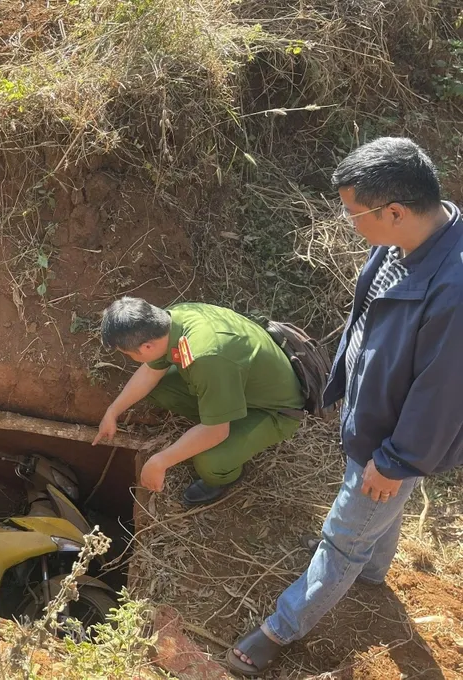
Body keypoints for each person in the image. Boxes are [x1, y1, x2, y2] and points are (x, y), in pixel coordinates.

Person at [228, 137, 463, 676]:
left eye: (355, 213)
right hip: (376, 421)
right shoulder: (406, 243)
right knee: (381, 508)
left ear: (396, 211)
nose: (350, 223)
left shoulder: (454, 288)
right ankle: (374, 572)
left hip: (393, 441)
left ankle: (277, 631)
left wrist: (397, 460)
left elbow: (443, 392)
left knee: (342, 539)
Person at [92, 297, 305, 505]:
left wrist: (159, 462)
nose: (130, 358)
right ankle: (217, 412)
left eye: (128, 354)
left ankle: (224, 477)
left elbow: (217, 432)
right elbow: (149, 373)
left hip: (272, 410)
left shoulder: (207, 357)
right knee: (161, 387)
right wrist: (113, 412)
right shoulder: (170, 321)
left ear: (147, 347)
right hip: (235, 383)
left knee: (210, 461)